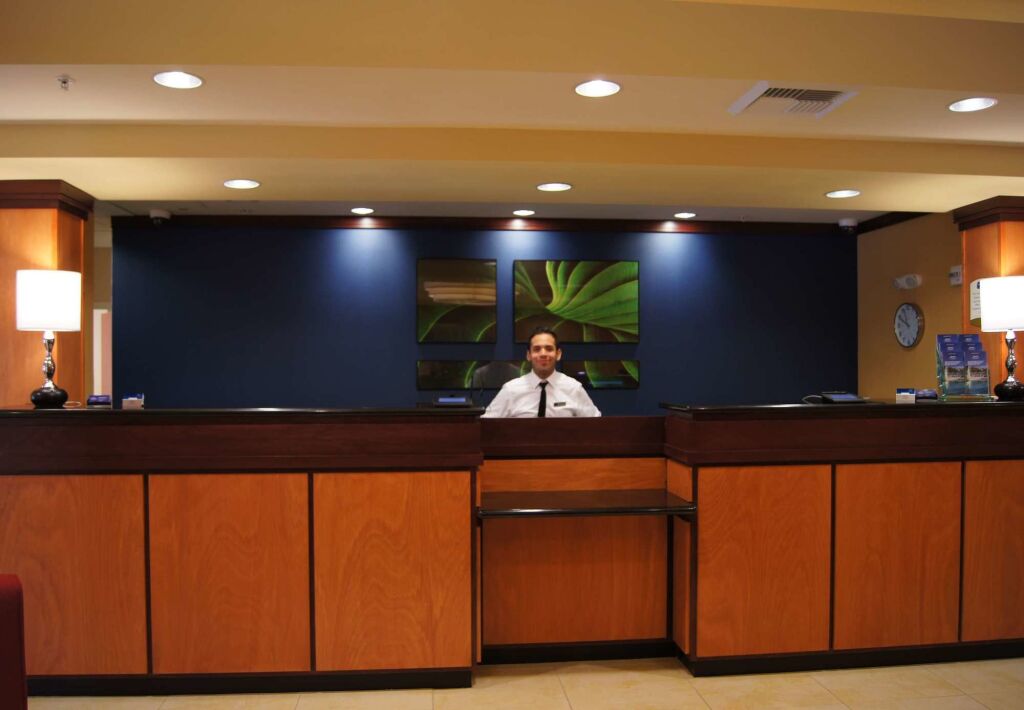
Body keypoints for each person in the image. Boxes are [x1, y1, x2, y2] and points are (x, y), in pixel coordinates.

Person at [481, 327, 601, 418]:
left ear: (558, 354)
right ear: (529, 355)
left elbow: (596, 425)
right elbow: (486, 425)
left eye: (549, 349)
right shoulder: (511, 390)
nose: (543, 354)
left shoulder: (573, 388)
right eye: (537, 349)